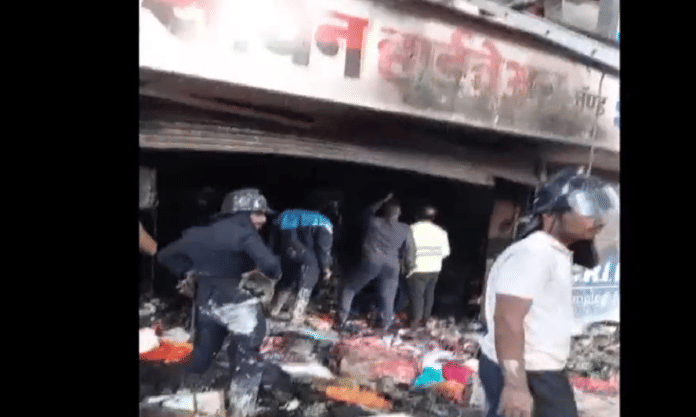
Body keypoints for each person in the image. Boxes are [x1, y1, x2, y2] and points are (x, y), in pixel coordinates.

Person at [478, 167, 619, 417]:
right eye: (587, 210)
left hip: (539, 371)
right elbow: (507, 318)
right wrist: (515, 386)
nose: (598, 221)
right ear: (550, 214)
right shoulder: (534, 253)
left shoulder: (552, 253)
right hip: (530, 373)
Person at [156, 188, 281, 417]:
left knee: (204, 350)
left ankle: (186, 398)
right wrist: (264, 276)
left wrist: (187, 273)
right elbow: (272, 265)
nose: (263, 219)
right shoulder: (245, 233)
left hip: (206, 302)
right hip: (238, 305)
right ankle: (241, 409)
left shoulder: (198, 232)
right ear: (243, 212)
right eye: (259, 213)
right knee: (247, 355)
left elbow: (165, 255)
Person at [336, 193, 416, 332]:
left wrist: (383, 199)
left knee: (349, 288)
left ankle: (341, 320)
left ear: (384, 211)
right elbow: (408, 250)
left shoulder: (374, 222)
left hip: (371, 261)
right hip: (392, 265)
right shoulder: (405, 228)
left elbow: (368, 211)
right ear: (399, 213)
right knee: (388, 296)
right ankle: (384, 326)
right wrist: (408, 266)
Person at [270, 206, 334, 324]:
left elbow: (275, 240)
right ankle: (296, 314)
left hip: (286, 240)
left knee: (288, 276)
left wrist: (276, 254)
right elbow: (323, 249)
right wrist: (326, 268)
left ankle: (274, 309)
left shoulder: (298, 215)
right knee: (311, 269)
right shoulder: (325, 224)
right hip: (293, 241)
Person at [407, 205, 451, 330]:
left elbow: (406, 249)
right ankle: (426, 320)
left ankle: (415, 322)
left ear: (419, 215)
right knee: (429, 294)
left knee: (417, 296)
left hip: (417, 268)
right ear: (433, 217)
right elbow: (446, 253)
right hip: (434, 268)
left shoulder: (411, 229)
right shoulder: (441, 232)